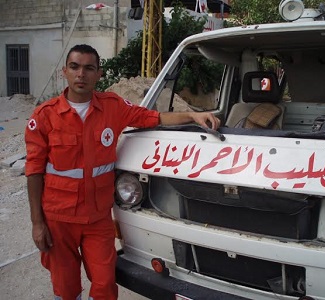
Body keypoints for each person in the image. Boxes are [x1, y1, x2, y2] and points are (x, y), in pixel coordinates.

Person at [25, 44, 220, 300]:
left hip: (98, 220)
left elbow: (154, 118)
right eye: (74, 67)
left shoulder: (112, 107)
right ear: (65, 72)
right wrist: (38, 223)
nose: (81, 74)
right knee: (66, 287)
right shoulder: (45, 116)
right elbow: (34, 172)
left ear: (99, 74)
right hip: (59, 219)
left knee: (105, 284)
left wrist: (194, 116)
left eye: (88, 68)